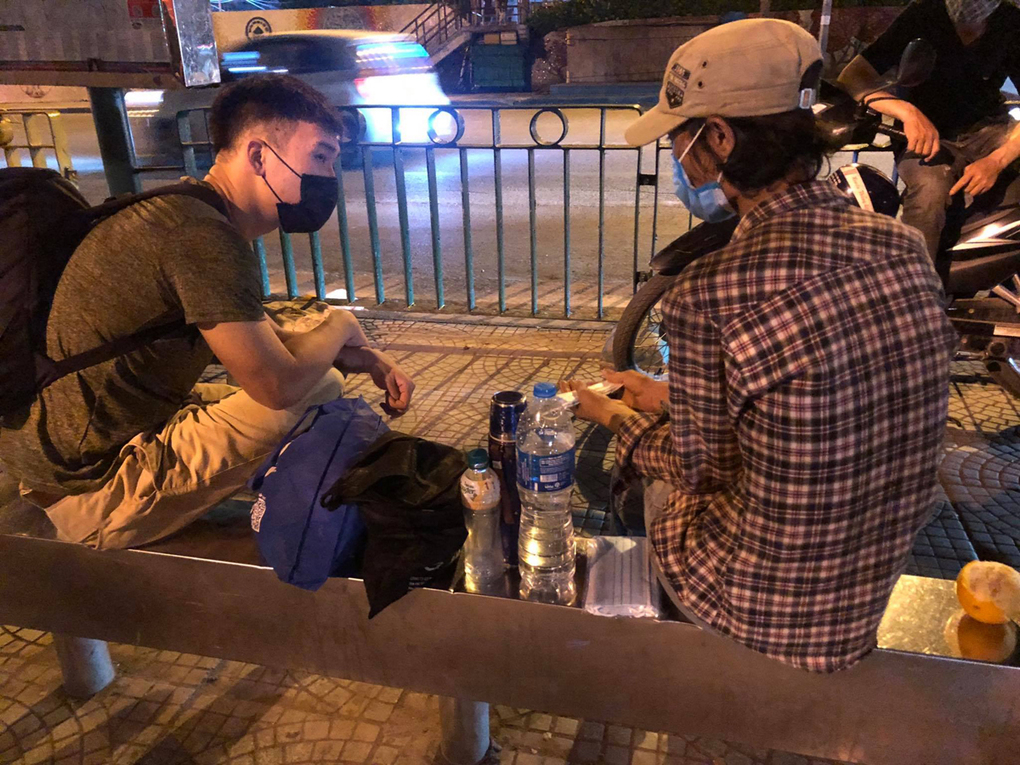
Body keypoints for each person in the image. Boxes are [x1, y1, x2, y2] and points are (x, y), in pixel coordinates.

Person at [568, 19, 959, 672]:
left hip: (764, 610)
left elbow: (702, 468)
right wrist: (669, 397)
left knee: (649, 482)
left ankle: (663, 652)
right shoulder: (903, 248)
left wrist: (617, 415)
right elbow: (812, 393)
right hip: (870, 586)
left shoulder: (709, 292)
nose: (676, 156)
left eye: (678, 137)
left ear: (719, 138)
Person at [0, 74, 414, 550]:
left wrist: (357, 355)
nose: (328, 178)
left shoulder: (181, 208)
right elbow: (275, 386)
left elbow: (254, 338)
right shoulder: (203, 238)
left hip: (53, 446)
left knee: (314, 373)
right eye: (319, 156)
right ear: (259, 156)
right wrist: (341, 324)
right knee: (313, 390)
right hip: (88, 490)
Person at [838, 0, 1020, 260]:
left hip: (989, 130)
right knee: (929, 193)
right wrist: (906, 111)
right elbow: (855, 75)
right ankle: (915, 289)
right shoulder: (924, 14)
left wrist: (996, 161)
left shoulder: (1010, 22)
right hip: (927, 137)